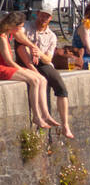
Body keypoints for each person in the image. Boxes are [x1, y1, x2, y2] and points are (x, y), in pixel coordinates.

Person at [17, 10, 72, 138]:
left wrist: (39, 53)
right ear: (37, 14)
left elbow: (48, 59)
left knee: (61, 87)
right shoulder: (27, 26)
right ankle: (43, 116)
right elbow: (18, 35)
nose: (43, 18)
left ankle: (65, 125)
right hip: (26, 60)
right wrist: (32, 47)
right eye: (42, 15)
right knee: (40, 80)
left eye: (47, 16)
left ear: (50, 18)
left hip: (42, 62)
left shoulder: (52, 36)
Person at [0, 12, 58, 130]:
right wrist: (23, 70)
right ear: (13, 25)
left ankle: (46, 114)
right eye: (20, 26)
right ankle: (36, 116)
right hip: (2, 67)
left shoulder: (11, 32)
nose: (22, 29)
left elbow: (22, 38)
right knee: (34, 80)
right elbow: (8, 61)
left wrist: (33, 47)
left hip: (8, 66)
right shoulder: (2, 37)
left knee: (42, 79)